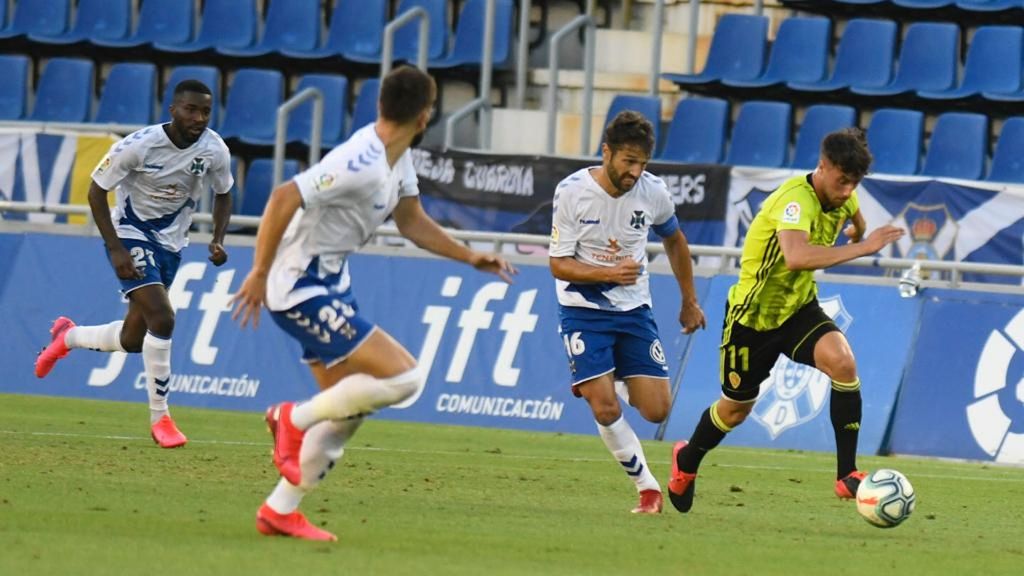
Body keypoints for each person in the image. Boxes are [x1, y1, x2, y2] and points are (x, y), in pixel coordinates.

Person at [231, 66, 517, 542]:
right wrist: (259, 272)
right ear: (425, 115)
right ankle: (290, 418)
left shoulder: (395, 156)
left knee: (348, 412)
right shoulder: (360, 159)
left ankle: (280, 509)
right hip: (300, 286)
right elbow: (284, 196)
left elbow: (411, 221)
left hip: (330, 284)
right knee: (406, 377)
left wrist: (469, 257)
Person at [666, 128, 906, 513]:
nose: (847, 190)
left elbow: (855, 219)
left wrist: (855, 231)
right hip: (752, 318)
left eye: (854, 183)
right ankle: (687, 460)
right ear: (823, 167)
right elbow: (796, 256)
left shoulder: (845, 194)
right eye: (842, 181)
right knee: (736, 409)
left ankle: (847, 475)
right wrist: (864, 245)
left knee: (843, 362)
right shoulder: (795, 201)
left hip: (797, 309)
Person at [34, 79, 233, 449]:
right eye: (191, 109)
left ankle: (68, 336)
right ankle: (162, 419)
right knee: (164, 317)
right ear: (173, 109)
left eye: (205, 111)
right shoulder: (139, 146)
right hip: (131, 232)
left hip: (172, 243)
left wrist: (218, 238)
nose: (199, 117)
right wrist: (115, 248)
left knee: (132, 339)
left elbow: (224, 194)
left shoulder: (215, 149)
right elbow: (97, 190)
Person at [548, 111, 706, 515]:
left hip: (634, 309)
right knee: (605, 408)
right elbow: (559, 263)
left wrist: (689, 300)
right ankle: (647, 488)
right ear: (607, 152)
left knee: (656, 409)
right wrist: (608, 273)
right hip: (583, 308)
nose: (635, 172)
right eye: (628, 162)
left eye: (642, 164)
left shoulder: (653, 192)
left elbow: (675, 240)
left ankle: (603, 376)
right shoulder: (571, 193)